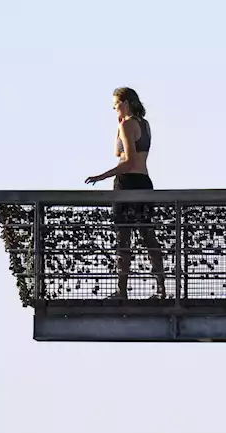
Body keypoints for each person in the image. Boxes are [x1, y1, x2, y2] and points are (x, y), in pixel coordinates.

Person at [85, 87, 167, 300]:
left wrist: (101, 176)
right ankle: (161, 288)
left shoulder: (128, 124)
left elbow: (127, 161)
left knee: (124, 239)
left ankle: (122, 291)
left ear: (126, 103)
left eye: (116, 105)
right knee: (149, 236)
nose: (114, 109)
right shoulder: (143, 124)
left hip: (128, 184)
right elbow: (124, 152)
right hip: (144, 182)